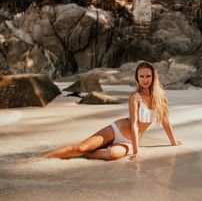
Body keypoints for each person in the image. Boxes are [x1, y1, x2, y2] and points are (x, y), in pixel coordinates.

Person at [41, 61, 182, 161]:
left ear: (153, 77)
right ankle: (40, 160)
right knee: (80, 148)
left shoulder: (160, 96)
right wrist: (137, 151)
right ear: (137, 78)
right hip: (116, 130)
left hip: (129, 142)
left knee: (112, 155)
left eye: (148, 76)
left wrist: (173, 141)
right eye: (141, 76)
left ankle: (87, 154)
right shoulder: (135, 97)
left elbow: (165, 120)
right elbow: (134, 124)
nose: (145, 80)